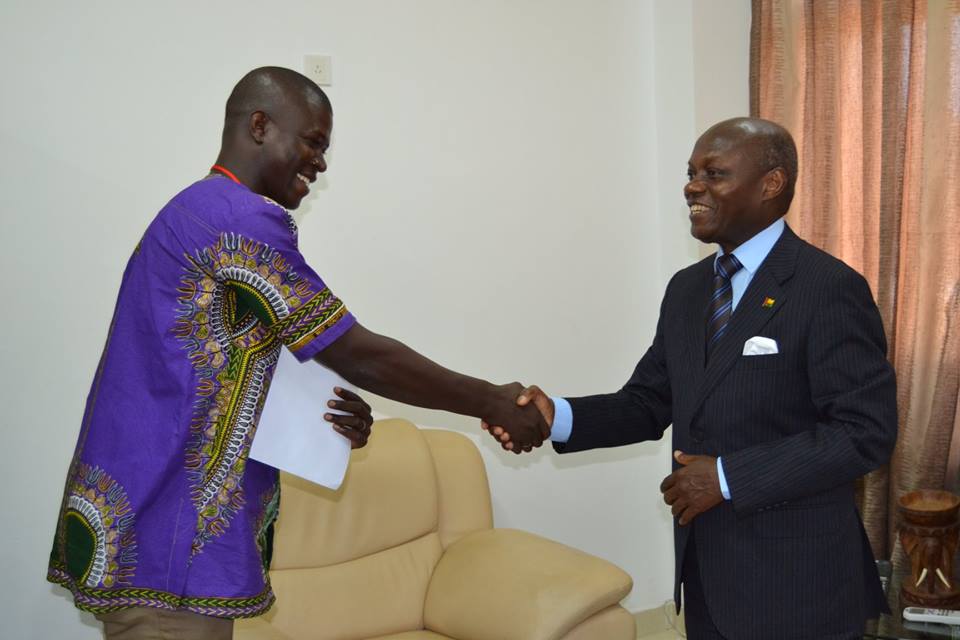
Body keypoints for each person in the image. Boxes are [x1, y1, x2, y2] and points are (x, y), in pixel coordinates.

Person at [47, 66, 547, 639]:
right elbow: (358, 353)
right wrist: (493, 400)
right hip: (169, 551)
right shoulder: (239, 219)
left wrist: (324, 417)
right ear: (260, 126)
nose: (321, 163)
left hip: (155, 536)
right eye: (313, 142)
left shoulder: (194, 210)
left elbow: (214, 360)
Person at [486, 118, 898, 639]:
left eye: (714, 173)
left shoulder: (828, 287)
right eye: (690, 173)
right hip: (706, 575)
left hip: (797, 583)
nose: (692, 187)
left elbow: (864, 432)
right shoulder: (687, 289)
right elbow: (648, 401)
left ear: (771, 184)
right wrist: (556, 417)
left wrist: (727, 477)